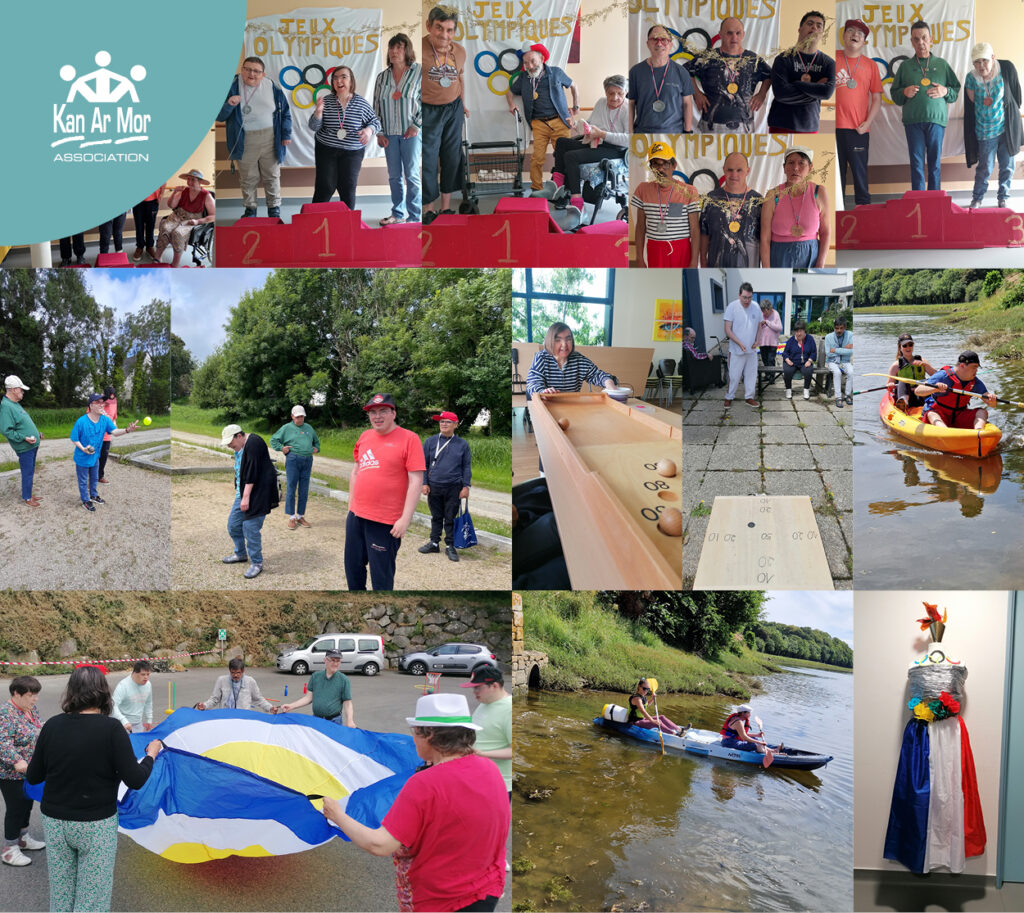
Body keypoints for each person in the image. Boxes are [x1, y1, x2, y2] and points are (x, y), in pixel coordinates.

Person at [321, 692, 508, 913]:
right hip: (486, 891)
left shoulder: (425, 784)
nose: (413, 738)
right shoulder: (489, 769)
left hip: (440, 901)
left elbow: (379, 844)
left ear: (428, 734)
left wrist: (337, 814)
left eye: (415, 732)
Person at [25, 665, 161, 912]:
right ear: (103, 693)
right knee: (92, 899)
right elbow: (136, 779)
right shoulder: (111, 730)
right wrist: (151, 755)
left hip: (55, 822)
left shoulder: (52, 726)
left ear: (72, 692)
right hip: (96, 825)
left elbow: (34, 776)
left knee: (61, 892)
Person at [345, 393, 426, 591]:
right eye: (373, 412)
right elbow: (356, 471)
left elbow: (416, 481)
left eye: (383, 411)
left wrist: (405, 519)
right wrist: (351, 505)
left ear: (393, 413)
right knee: (353, 567)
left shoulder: (410, 439)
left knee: (381, 574)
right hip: (356, 515)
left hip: (385, 521)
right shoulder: (365, 437)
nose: (377, 416)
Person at [219, 55, 293, 218]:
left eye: (256, 71)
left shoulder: (273, 86)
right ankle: (250, 209)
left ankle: (274, 209)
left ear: (263, 74)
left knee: (272, 175)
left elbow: (286, 112)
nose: (251, 74)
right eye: (247, 69)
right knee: (248, 177)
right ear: (242, 70)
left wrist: (286, 133)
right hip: (244, 139)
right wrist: (229, 104)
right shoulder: (230, 86)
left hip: (270, 138)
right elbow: (219, 116)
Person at [890, 21, 960, 192]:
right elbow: (895, 94)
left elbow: (955, 90)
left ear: (931, 39)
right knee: (916, 164)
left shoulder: (942, 64)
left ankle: (935, 200)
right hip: (912, 122)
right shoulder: (905, 67)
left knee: (935, 163)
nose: (920, 42)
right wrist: (904, 92)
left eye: (924, 38)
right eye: (916, 39)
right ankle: (919, 201)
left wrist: (945, 91)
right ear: (911, 42)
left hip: (937, 121)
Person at [506, 43, 578, 194]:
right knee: (537, 159)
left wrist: (576, 107)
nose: (530, 66)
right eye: (526, 63)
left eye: (532, 61)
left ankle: (564, 191)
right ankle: (536, 190)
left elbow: (574, 86)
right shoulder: (524, 78)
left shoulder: (556, 73)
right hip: (539, 124)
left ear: (541, 58)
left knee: (564, 158)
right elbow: (510, 92)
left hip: (560, 121)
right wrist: (511, 104)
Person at [308, 66, 381, 210]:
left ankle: (348, 225)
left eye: (343, 77)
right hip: (326, 150)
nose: (338, 81)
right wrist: (318, 113)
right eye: (335, 78)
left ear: (351, 80)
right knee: (325, 187)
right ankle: (313, 222)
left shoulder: (361, 103)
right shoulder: (326, 101)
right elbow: (313, 127)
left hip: (352, 152)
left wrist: (368, 130)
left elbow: (376, 122)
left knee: (347, 187)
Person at [550, 75, 629, 204]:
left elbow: (628, 140)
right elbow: (589, 125)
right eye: (611, 93)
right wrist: (575, 125)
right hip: (596, 143)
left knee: (571, 156)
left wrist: (602, 134)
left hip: (616, 149)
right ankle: (558, 185)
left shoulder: (628, 109)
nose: (615, 98)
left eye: (620, 93)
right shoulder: (601, 102)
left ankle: (576, 199)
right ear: (605, 92)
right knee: (561, 142)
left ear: (625, 92)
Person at [422, 6, 467, 224]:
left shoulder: (459, 51)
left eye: (449, 30)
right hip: (427, 110)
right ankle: (428, 209)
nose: (444, 35)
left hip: (453, 109)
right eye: (439, 28)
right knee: (429, 159)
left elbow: (459, 79)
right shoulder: (417, 49)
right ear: (429, 26)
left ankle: (446, 208)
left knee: (452, 156)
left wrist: (463, 103)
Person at [686, 17, 771, 133]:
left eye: (738, 33)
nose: (734, 37)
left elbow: (770, 75)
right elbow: (684, 71)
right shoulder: (708, 57)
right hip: (711, 125)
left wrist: (762, 94)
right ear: (720, 34)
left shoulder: (752, 59)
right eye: (729, 33)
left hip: (744, 125)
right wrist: (696, 93)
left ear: (743, 34)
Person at [964, 43, 1023, 209]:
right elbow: (973, 102)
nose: (981, 65)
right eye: (977, 62)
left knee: (1007, 166)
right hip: (984, 131)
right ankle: (977, 198)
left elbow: (1016, 96)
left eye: (984, 60)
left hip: (1006, 129)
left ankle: (1003, 197)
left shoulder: (1005, 69)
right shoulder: (971, 77)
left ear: (992, 58)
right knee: (984, 168)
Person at [373, 34, 422, 225]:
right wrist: (379, 132)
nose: (394, 52)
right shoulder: (382, 77)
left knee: (411, 175)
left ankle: (415, 216)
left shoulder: (418, 72)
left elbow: (426, 100)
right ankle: (398, 213)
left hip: (411, 132)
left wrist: (416, 126)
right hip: (389, 135)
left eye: (399, 48)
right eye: (391, 48)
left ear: (407, 50)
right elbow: (376, 106)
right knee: (394, 176)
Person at [220, 423, 280, 579]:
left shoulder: (253, 443)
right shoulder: (240, 447)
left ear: (239, 436)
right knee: (233, 525)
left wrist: (246, 497)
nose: (229, 446)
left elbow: (252, 473)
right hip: (243, 493)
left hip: (258, 494)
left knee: (250, 528)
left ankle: (257, 563)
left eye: (231, 443)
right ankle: (240, 554)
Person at [835, 19, 882, 206]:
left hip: (858, 129)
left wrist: (868, 123)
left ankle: (865, 215)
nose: (855, 35)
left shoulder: (870, 65)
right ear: (844, 35)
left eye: (860, 34)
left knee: (860, 177)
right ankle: (836, 214)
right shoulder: (831, 59)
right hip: (833, 129)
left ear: (864, 42)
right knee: (836, 177)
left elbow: (877, 99)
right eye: (851, 31)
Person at [630, 142, 699, 268]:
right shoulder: (643, 189)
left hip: (682, 249)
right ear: (651, 167)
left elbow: (695, 229)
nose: (660, 169)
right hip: (655, 250)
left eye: (665, 164)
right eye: (655, 164)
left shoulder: (690, 191)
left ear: (674, 165)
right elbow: (640, 226)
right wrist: (639, 258)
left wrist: (694, 261)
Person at [760, 145, 830, 268]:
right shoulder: (772, 195)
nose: (796, 168)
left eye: (801, 163)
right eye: (791, 163)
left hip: (811, 256)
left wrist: (820, 265)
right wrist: (767, 269)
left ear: (810, 167)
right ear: (784, 167)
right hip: (779, 256)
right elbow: (765, 238)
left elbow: (825, 232)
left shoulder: (819, 192)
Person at [0, 676, 44, 867]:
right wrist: (17, 760)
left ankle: (23, 838)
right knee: (16, 807)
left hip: (31, 769)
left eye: (36, 695)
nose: (34, 699)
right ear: (16, 694)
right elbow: (3, 743)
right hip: (10, 772)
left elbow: (40, 729)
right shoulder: (5, 713)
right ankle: (9, 849)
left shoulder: (30, 710)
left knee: (27, 804)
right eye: (29, 695)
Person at [767, 10, 835, 133]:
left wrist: (796, 84)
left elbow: (826, 93)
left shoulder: (829, 63)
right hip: (780, 124)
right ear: (800, 29)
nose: (814, 27)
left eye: (819, 25)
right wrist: (816, 88)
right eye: (810, 23)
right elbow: (781, 94)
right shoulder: (783, 59)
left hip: (810, 124)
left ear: (822, 33)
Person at [70, 393, 138, 511]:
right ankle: (85, 500)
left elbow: (115, 432)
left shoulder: (105, 420)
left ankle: (94, 495)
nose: (102, 405)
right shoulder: (81, 421)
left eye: (103, 402)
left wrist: (127, 430)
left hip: (95, 456)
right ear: (91, 405)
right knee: (83, 480)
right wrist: (83, 449)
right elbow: (74, 438)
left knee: (95, 477)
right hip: (82, 457)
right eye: (99, 402)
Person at [418, 411, 471, 563]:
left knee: (450, 517)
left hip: (454, 487)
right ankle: (434, 543)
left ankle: (450, 545)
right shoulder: (430, 441)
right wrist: (424, 483)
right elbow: (424, 464)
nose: (443, 424)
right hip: (434, 486)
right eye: (441, 421)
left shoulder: (462, 444)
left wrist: (466, 486)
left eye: (447, 421)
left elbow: (466, 467)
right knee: (436, 516)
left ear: (456, 424)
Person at [699, 151, 763, 267]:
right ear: (724, 170)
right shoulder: (711, 199)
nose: (734, 175)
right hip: (716, 267)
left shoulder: (757, 201)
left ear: (747, 171)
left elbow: (765, 238)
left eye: (739, 170)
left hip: (750, 269)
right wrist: (703, 261)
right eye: (730, 170)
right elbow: (704, 234)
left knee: (744, 255)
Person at [628, 24, 694, 133]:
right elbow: (631, 104)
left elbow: (687, 104)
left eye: (664, 39)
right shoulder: (635, 72)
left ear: (670, 45)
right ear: (648, 44)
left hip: (674, 133)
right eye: (654, 39)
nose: (659, 43)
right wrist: (630, 133)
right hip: (643, 133)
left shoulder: (682, 72)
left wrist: (687, 132)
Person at [460, 667, 512, 797]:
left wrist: (483, 754)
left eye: (478, 687)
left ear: (494, 685)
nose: (474, 692)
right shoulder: (485, 702)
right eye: (473, 688)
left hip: (498, 784)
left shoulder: (510, 710)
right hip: (476, 777)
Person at [525, 322, 617, 395]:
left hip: (572, 407)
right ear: (550, 341)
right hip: (548, 406)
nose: (564, 344)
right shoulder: (541, 358)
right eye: (558, 340)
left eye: (568, 339)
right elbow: (532, 383)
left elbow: (596, 374)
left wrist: (608, 382)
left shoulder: (578, 359)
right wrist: (543, 391)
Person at [915, 351, 998, 430]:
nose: (976, 371)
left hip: (959, 415)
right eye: (974, 367)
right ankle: (945, 433)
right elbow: (918, 391)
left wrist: (992, 400)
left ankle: (979, 433)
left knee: (982, 412)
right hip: (939, 413)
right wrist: (934, 388)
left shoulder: (975, 382)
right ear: (962, 365)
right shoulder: (943, 376)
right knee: (932, 414)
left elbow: (991, 404)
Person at [270, 405, 321, 531]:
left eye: (302, 416)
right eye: (298, 416)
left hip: (307, 460)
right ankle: (292, 517)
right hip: (293, 459)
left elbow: (316, 442)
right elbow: (274, 440)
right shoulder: (286, 428)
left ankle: (300, 516)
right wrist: (282, 448)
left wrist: (316, 448)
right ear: (292, 416)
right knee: (292, 488)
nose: (300, 419)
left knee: (304, 489)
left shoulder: (308, 428)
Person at [153, 170, 216, 267]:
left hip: (192, 220)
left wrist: (198, 221)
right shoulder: (184, 191)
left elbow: (213, 216)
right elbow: (171, 205)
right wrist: (174, 193)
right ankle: (157, 257)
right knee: (165, 227)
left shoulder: (206, 195)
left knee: (178, 233)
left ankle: (175, 264)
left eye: (193, 180)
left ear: (200, 182)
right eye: (188, 179)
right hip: (177, 216)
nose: (189, 182)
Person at [279, 650, 354, 725]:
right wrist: (291, 706)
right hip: (316, 720)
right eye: (332, 660)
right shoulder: (315, 676)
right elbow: (308, 698)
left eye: (338, 661)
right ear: (325, 660)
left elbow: (347, 703)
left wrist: (350, 720)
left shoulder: (344, 680)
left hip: (334, 721)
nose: (335, 664)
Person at [1, 375, 42, 508]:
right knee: (27, 472)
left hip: (32, 445)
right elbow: (6, 430)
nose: (23, 392)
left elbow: (23, 423)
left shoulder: (15, 404)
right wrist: (24, 438)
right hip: (25, 447)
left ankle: (28, 493)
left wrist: (36, 434)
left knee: (30, 470)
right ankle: (27, 498)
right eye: (21, 390)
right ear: (13, 390)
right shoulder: (6, 406)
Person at [723, 282, 760, 407]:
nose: (747, 300)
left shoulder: (756, 306)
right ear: (739, 295)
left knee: (751, 375)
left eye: (749, 297)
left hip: (752, 350)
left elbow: (759, 325)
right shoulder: (732, 307)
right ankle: (729, 396)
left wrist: (758, 340)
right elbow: (727, 329)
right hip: (736, 350)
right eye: (744, 297)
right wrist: (739, 343)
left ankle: (749, 397)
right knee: (734, 375)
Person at [196, 657, 275, 712]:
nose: (235, 675)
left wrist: (270, 708)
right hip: (225, 717)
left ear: (243, 671)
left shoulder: (250, 681)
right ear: (229, 670)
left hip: (243, 718)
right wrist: (205, 705)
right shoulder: (221, 680)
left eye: (238, 673)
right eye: (233, 673)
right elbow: (214, 699)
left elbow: (259, 699)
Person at [886, 333, 936, 411]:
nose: (908, 347)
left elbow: (936, 376)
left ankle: (932, 407)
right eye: (905, 345)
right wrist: (890, 384)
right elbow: (889, 385)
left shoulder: (922, 361)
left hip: (920, 393)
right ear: (900, 347)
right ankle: (903, 402)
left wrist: (926, 366)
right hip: (907, 395)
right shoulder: (896, 366)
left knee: (928, 382)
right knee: (903, 381)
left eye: (910, 345)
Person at [111, 661, 153, 733]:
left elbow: (148, 702)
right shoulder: (123, 686)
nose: (146, 677)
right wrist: (124, 721)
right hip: (122, 724)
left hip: (138, 723)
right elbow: (112, 705)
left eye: (148, 674)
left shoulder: (148, 685)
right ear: (134, 673)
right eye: (142, 674)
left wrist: (149, 719)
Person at [782, 321, 817, 400]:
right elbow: (785, 353)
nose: (799, 334)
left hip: (805, 362)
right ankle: (788, 389)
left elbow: (813, 352)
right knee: (787, 371)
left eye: (801, 331)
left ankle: (806, 390)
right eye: (797, 331)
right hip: (792, 362)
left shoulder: (810, 339)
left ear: (804, 331)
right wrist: (787, 360)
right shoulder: (791, 340)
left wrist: (810, 360)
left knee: (808, 371)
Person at [824, 317, 854, 408]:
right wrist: (844, 348)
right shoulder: (828, 337)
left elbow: (850, 352)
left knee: (852, 372)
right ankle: (838, 397)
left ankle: (848, 395)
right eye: (837, 328)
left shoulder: (850, 335)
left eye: (841, 328)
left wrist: (836, 350)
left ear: (845, 327)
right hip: (832, 361)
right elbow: (828, 353)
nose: (839, 330)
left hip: (845, 361)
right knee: (837, 373)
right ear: (834, 328)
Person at [131, 184, 165, 262]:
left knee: (151, 225)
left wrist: (161, 194)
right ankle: (140, 247)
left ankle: (149, 246)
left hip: (153, 201)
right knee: (139, 225)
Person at [97, 385, 117, 484]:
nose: (110, 400)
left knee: (104, 456)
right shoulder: (98, 401)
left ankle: (100, 476)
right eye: (109, 398)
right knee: (94, 456)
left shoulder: (114, 402)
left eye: (112, 398)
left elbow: (114, 417)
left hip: (107, 436)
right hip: (97, 435)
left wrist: (115, 426)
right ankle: (91, 475)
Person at [755, 299, 783, 367]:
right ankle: (767, 376)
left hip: (772, 343)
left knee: (771, 360)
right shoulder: (760, 314)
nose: (764, 314)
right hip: (762, 342)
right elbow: (756, 327)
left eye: (766, 312)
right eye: (763, 312)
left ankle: (771, 377)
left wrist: (767, 322)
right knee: (764, 360)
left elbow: (780, 328)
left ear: (770, 309)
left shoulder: (775, 314)